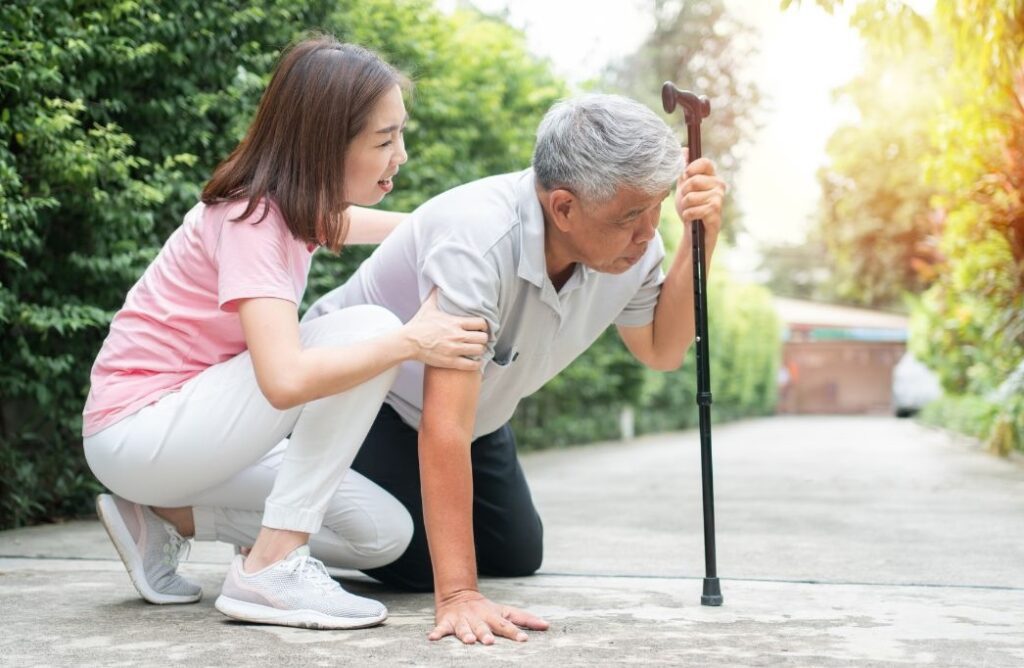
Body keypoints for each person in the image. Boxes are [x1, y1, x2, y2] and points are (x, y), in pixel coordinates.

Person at [81, 35, 489, 630]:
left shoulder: (293, 207)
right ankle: (271, 567)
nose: (401, 155)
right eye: (384, 139)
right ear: (325, 144)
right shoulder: (252, 218)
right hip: (142, 428)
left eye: (401, 133)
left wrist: (449, 225)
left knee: (386, 536)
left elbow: (359, 225)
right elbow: (284, 379)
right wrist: (412, 340)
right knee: (369, 328)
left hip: (195, 437)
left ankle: (169, 518)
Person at [304, 93, 727, 644]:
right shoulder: (479, 240)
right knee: (414, 559)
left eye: (659, 207)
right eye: (630, 216)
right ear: (564, 208)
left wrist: (701, 239)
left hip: (477, 411)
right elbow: (444, 425)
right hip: (361, 396)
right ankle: (261, 501)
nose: (649, 232)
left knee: (515, 553)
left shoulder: (632, 246)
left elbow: (662, 350)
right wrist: (458, 596)